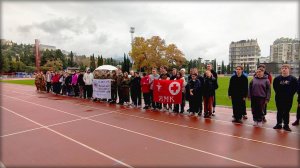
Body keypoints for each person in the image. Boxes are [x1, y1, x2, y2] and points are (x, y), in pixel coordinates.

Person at [273, 64, 297, 131]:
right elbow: (275, 87)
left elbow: (295, 88)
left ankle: (286, 125)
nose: (284, 69)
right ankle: (279, 124)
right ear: (281, 70)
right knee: (279, 111)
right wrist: (280, 94)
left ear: (289, 69)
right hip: (279, 98)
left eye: (286, 68)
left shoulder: (293, 79)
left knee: (286, 112)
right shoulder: (277, 79)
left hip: (288, 99)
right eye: (283, 68)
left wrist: (289, 95)